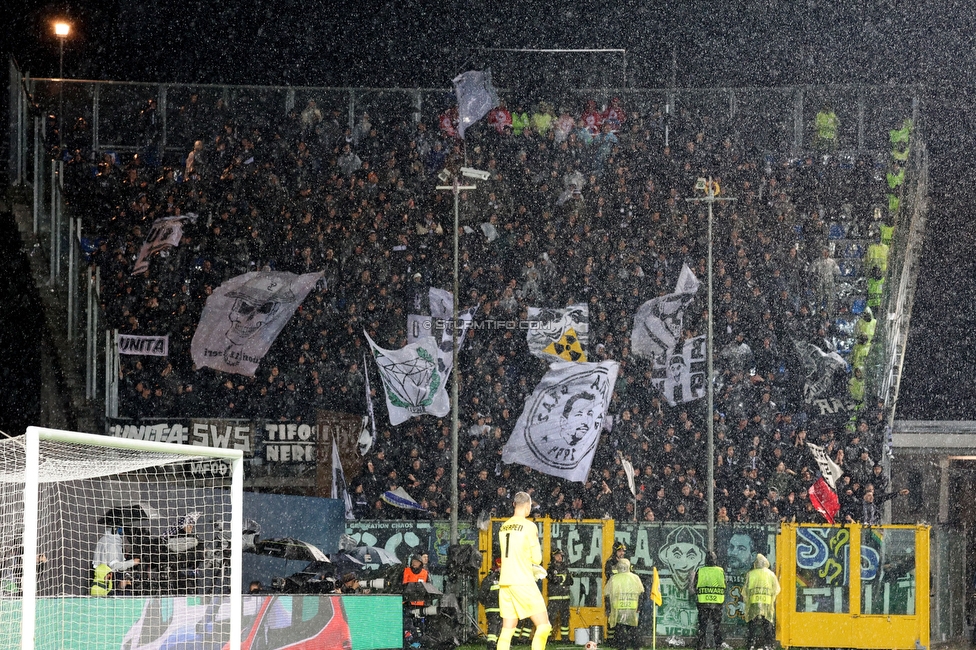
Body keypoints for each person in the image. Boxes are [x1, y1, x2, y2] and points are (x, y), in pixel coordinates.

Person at [497, 492, 551, 650]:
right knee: (543, 626)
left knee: (508, 629)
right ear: (528, 506)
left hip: (505, 582)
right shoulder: (529, 526)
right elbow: (537, 558)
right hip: (522, 581)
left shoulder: (503, 526)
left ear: (514, 504)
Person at [692, 551, 728, 650]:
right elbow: (725, 585)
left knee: (702, 626)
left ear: (706, 560)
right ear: (715, 560)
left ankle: (700, 646)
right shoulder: (720, 571)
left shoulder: (701, 570)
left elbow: (695, 586)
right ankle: (718, 645)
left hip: (703, 603)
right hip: (717, 603)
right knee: (716, 626)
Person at [605, 558, 644, 650]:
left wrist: (608, 609)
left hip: (618, 609)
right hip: (632, 609)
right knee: (633, 630)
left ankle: (622, 647)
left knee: (620, 631)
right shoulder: (635, 578)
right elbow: (641, 593)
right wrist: (639, 606)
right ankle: (636, 647)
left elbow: (607, 595)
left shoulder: (614, 579)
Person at [744, 553, 780, 650]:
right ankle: (769, 644)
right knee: (767, 624)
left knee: (752, 625)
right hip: (767, 604)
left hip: (753, 603)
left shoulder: (751, 574)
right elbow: (776, 589)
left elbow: (745, 591)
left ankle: (751, 644)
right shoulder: (771, 574)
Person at [545, 548, 572, 642]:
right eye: (557, 556)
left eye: (561, 556)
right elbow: (555, 580)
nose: (560, 557)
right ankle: (548, 638)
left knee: (565, 618)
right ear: (553, 557)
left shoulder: (565, 568)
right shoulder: (550, 569)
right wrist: (564, 577)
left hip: (565, 598)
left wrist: (563, 578)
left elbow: (570, 581)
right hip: (554, 598)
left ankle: (565, 638)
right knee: (551, 619)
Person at [480, 558, 502, 650]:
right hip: (494, 608)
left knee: (498, 627)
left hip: (499, 608)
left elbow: (482, 595)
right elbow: (482, 595)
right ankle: (492, 645)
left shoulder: (489, 579)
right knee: (495, 626)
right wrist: (488, 603)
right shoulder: (491, 579)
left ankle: (494, 644)